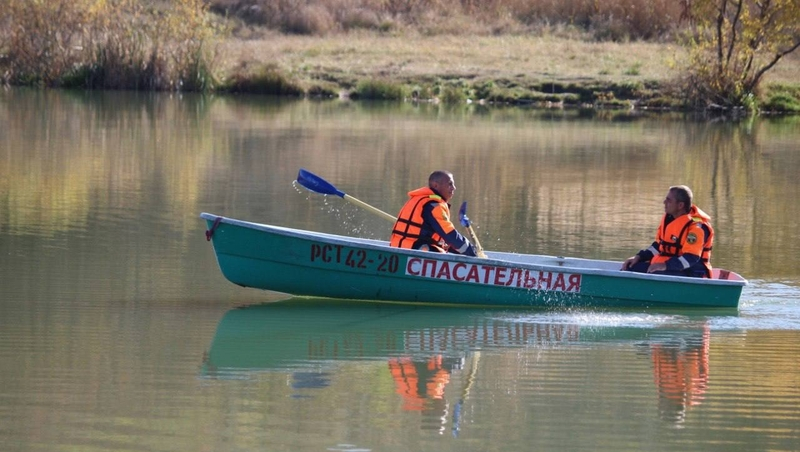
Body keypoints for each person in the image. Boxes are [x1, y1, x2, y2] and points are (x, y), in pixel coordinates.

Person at [621, 185, 714, 278]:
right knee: (630, 267)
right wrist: (639, 257)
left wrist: (665, 266)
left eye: (669, 200)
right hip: (672, 269)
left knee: (654, 274)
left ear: (680, 205)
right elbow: (659, 246)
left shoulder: (697, 228)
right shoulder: (670, 220)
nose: (664, 202)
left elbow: (691, 258)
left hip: (692, 274)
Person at [390, 171, 477, 257]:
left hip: (399, 249)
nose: (454, 188)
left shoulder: (420, 199)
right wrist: (473, 252)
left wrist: (467, 251)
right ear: (436, 185)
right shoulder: (434, 206)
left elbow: (446, 240)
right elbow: (450, 235)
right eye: (450, 184)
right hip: (413, 253)